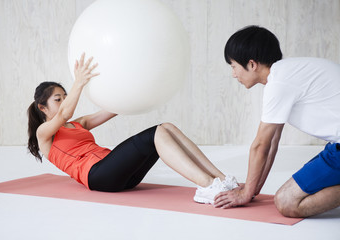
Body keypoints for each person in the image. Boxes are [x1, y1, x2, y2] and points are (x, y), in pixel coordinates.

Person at [27, 53, 238, 204]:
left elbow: (114, 108)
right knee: (156, 133)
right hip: (98, 176)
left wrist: (138, 85)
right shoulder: (44, 134)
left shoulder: (76, 124)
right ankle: (207, 185)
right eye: (58, 99)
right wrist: (79, 83)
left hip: (120, 176)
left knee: (167, 128)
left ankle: (221, 180)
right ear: (42, 107)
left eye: (65, 97)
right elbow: (65, 113)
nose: (63, 102)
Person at [214, 25, 340, 218]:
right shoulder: (286, 74)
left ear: (251, 64)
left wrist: (245, 194)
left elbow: (260, 145)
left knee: (287, 202)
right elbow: (272, 142)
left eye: (233, 66)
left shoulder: (279, 82)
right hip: (336, 146)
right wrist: (252, 188)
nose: (233, 74)